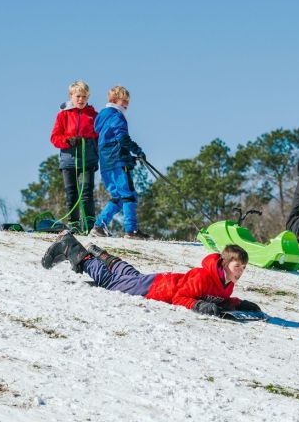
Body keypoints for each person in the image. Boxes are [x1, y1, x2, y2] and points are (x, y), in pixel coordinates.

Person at [42, 231, 262, 317]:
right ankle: (72, 248)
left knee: (130, 276)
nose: (240, 272)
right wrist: (198, 306)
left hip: (155, 283)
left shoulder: (227, 283)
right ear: (224, 264)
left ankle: (103, 256)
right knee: (110, 283)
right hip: (156, 288)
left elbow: (220, 300)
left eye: (243, 268)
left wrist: (238, 303)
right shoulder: (203, 276)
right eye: (237, 267)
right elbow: (180, 298)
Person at [88, 86, 149, 239]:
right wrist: (137, 151)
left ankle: (99, 226)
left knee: (118, 196)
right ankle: (131, 230)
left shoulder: (102, 116)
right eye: (125, 101)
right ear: (115, 100)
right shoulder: (117, 115)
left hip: (106, 164)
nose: (127, 105)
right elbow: (122, 138)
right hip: (118, 163)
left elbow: (109, 141)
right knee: (129, 196)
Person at [49, 80, 98, 233]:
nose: (81, 100)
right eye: (78, 96)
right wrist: (68, 140)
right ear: (71, 96)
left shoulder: (93, 115)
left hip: (87, 159)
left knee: (87, 191)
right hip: (68, 161)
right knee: (71, 193)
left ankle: (90, 225)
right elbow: (54, 138)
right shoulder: (63, 115)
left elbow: (99, 135)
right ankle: (74, 223)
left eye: (84, 96)